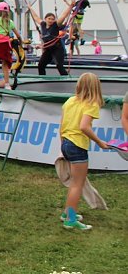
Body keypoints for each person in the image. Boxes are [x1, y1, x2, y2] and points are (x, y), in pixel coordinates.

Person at [58, 73, 109, 230]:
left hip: (66, 143)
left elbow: (61, 127)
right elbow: (84, 126)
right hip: (77, 145)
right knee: (77, 185)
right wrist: (100, 142)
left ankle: (68, 213)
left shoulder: (70, 101)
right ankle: (70, 220)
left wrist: (64, 145)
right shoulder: (91, 104)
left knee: (75, 183)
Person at [27, 3, 71, 76]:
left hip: (57, 49)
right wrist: (30, 8)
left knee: (59, 66)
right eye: (49, 19)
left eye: (52, 19)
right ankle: (42, 79)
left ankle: (66, 79)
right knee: (41, 65)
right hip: (48, 50)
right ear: (45, 19)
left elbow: (63, 16)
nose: (51, 20)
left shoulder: (55, 25)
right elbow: (36, 17)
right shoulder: (43, 24)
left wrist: (70, 7)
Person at [0, 2, 24, 88]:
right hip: (5, 43)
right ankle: (7, 84)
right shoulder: (10, 22)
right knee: (5, 64)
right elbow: (18, 35)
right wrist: (21, 42)